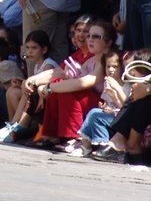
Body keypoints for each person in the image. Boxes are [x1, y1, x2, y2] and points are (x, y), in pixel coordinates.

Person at [23, 17, 114, 151]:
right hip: (94, 101)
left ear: (109, 41)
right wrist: (34, 80)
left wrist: (50, 87)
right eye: (88, 35)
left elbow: (85, 82)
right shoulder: (90, 55)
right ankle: (49, 135)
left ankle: (74, 138)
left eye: (95, 36)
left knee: (66, 91)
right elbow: (59, 72)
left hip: (108, 105)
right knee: (57, 89)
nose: (88, 38)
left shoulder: (107, 57)